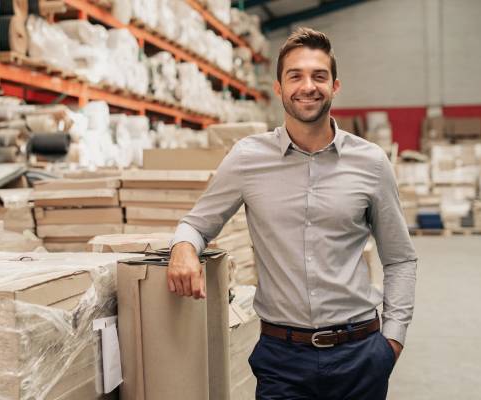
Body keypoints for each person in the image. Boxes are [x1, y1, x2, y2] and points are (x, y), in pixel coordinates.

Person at [167, 27, 417, 399]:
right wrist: (182, 248)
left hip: (359, 353)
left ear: (335, 86)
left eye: (319, 76)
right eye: (295, 75)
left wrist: (392, 341)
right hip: (283, 357)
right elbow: (196, 224)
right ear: (279, 88)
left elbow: (400, 258)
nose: (308, 86)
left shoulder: (371, 163)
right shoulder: (248, 158)